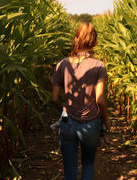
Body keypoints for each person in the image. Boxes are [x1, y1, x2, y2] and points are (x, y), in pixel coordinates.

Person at [51, 22, 111, 180]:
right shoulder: (99, 66)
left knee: (70, 171)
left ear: (76, 39)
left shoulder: (62, 64)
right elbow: (100, 100)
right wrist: (106, 120)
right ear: (94, 42)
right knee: (88, 165)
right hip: (91, 124)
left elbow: (55, 98)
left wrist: (64, 110)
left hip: (67, 122)